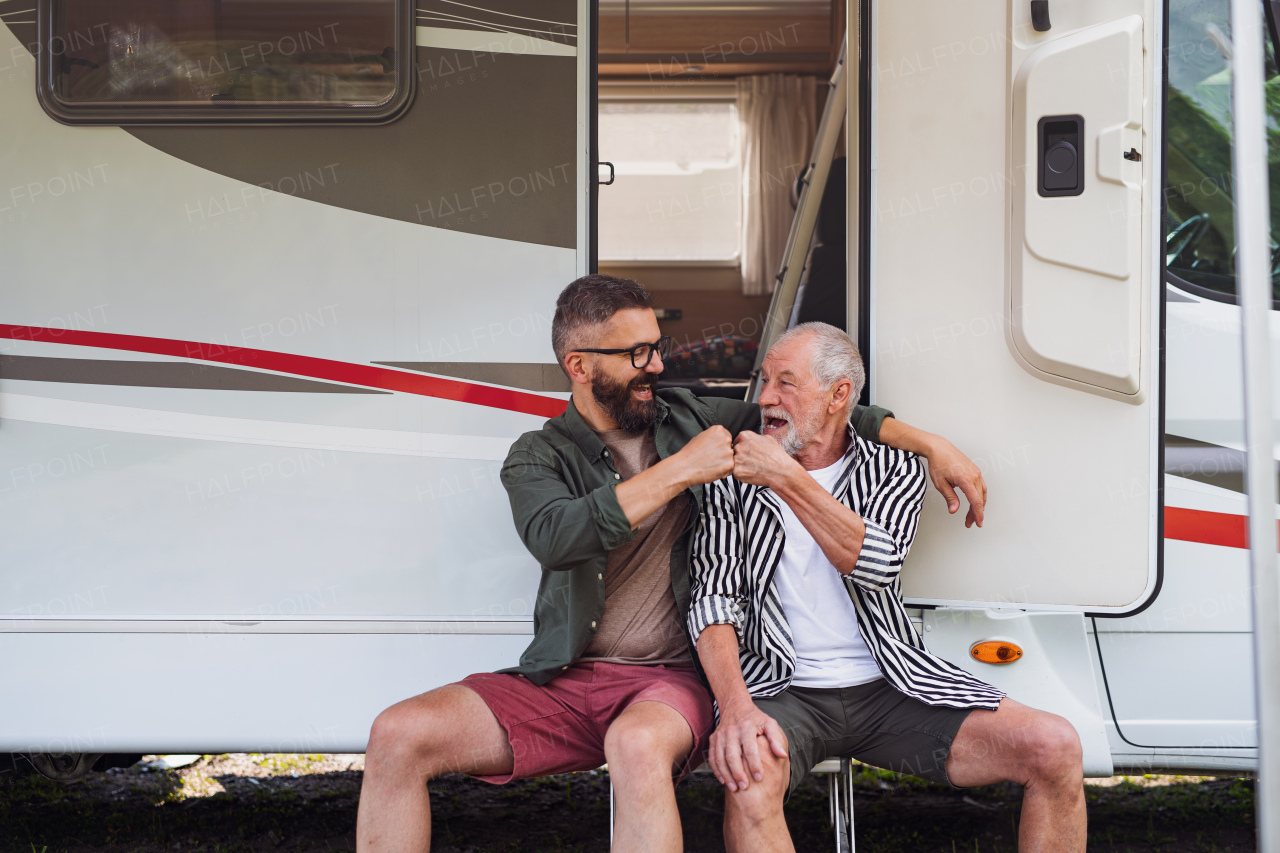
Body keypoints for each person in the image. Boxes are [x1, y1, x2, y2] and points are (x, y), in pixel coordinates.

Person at [356, 277, 989, 852]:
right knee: (397, 733)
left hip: (669, 678)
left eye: (656, 348)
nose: (655, 365)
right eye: (636, 354)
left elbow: (823, 412)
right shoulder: (537, 454)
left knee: (635, 746)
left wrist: (932, 444)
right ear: (579, 366)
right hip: (567, 677)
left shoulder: (689, 415)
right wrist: (678, 471)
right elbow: (556, 537)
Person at [690, 322, 1086, 853]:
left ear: (839, 396)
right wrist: (736, 709)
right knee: (749, 780)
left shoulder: (892, 466)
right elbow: (712, 601)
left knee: (1055, 746)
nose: (765, 398)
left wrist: (786, 477)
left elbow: (876, 564)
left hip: (891, 686)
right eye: (765, 381)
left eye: (786, 382)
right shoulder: (729, 476)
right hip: (781, 690)